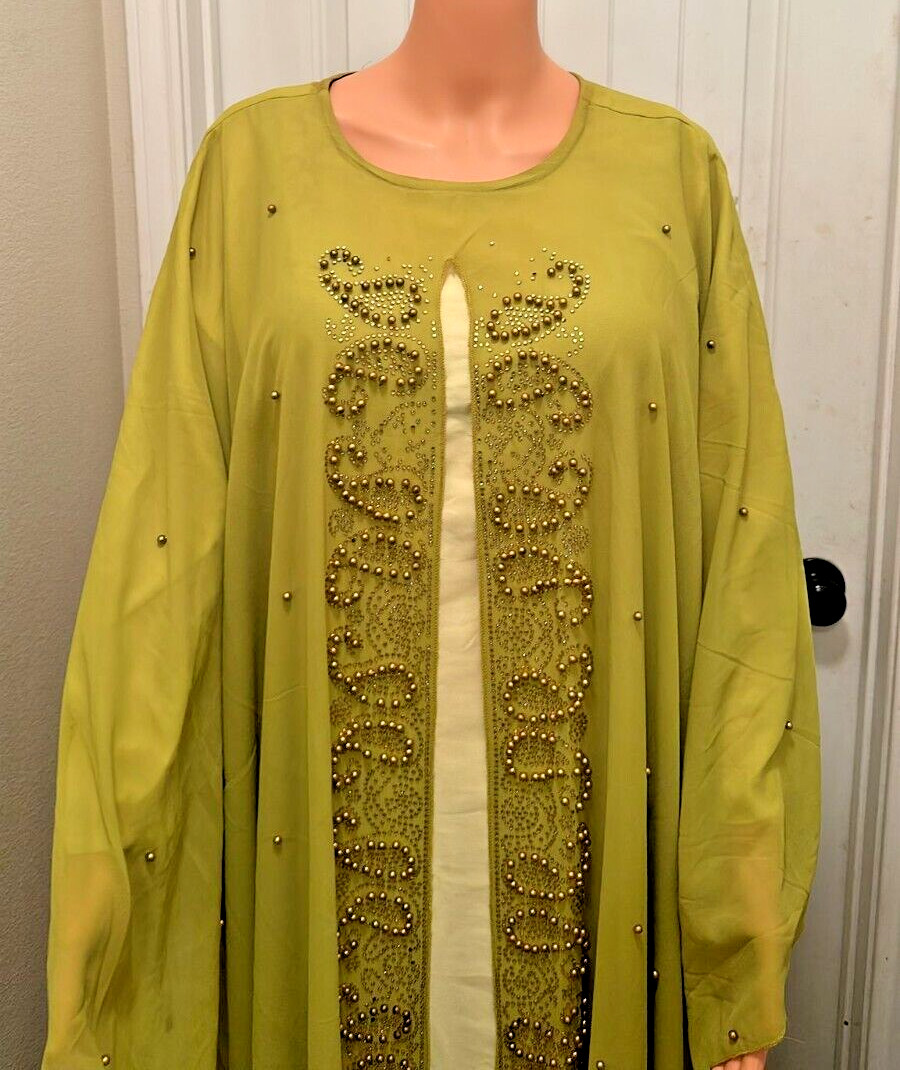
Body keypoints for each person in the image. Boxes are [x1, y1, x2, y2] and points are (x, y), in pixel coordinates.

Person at [41, 7, 821, 1070]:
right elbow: (160, 566)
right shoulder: (249, 167)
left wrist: (736, 945)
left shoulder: (674, 175)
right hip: (314, 848)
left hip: (596, 857)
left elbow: (746, 560)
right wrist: (114, 943)